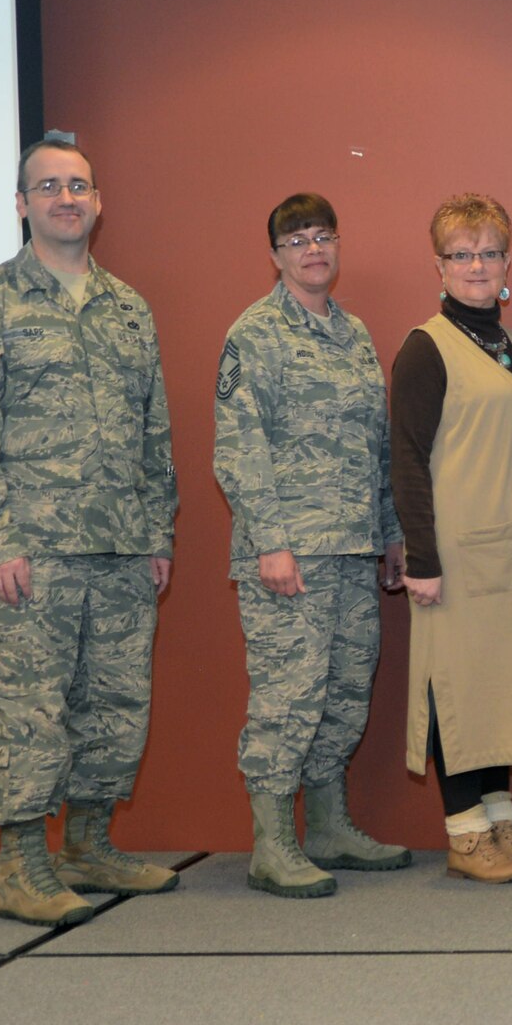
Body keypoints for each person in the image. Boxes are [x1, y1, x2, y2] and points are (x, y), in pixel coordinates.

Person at [0, 137, 180, 925]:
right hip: (28, 554)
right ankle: (21, 866)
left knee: (112, 704)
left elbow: (154, 434)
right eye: (48, 186)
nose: (65, 198)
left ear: (98, 201)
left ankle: (89, 843)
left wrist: (156, 533)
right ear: (22, 204)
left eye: (78, 185)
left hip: (118, 550)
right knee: (27, 709)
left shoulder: (128, 308)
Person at [214, 193, 411, 899]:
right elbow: (238, 450)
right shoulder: (255, 333)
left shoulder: (353, 333)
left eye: (323, 235)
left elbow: (374, 443)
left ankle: (327, 827)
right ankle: (273, 842)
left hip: (353, 550)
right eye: (296, 239)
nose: (312, 249)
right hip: (289, 555)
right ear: (275, 256)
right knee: (287, 696)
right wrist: (272, 542)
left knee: (344, 692)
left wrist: (389, 534)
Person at [390, 193, 512, 883]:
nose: (476, 264)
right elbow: (406, 460)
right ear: (438, 266)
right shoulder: (425, 349)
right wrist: (422, 558)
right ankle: (465, 834)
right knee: (458, 686)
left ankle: (500, 821)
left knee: (501, 685)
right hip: (459, 555)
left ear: (507, 262)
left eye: (489, 251)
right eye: (461, 254)